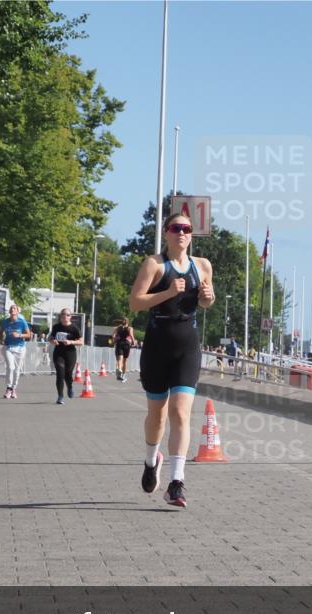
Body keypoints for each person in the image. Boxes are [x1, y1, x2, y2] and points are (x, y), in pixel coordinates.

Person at [129, 212, 215, 508]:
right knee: (157, 416)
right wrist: (166, 291)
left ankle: (176, 483)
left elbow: (205, 302)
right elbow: (135, 302)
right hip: (156, 347)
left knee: (181, 412)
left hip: (187, 348)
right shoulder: (154, 265)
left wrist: (208, 296)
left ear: (192, 234)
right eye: (176, 228)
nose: (182, 233)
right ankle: (151, 460)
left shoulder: (202, 266)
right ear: (166, 233)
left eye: (187, 229)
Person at [48, 308, 82, 404]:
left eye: (67, 315)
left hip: (70, 353)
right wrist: (53, 340)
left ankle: (70, 387)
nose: (65, 317)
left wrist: (71, 341)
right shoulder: (56, 327)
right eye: (63, 315)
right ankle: (60, 396)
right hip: (58, 353)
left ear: (70, 317)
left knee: (68, 374)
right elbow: (50, 337)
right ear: (60, 316)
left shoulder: (74, 328)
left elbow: (81, 342)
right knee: (60, 374)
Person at [0, 304, 32, 399]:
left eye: (14, 308)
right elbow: (0, 330)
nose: (12, 309)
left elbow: (28, 335)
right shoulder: (5, 322)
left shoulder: (22, 322)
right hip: (8, 347)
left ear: (17, 312)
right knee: (10, 367)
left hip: (20, 348)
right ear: (9, 312)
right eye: (11, 308)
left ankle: (14, 388)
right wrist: (1, 339)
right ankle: (8, 388)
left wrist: (19, 335)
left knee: (17, 370)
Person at [113, 317, 137, 382]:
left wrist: (114, 340)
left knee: (120, 358)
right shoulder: (130, 328)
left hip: (119, 343)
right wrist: (133, 342)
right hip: (126, 344)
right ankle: (123, 374)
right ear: (128, 322)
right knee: (124, 361)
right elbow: (131, 335)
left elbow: (114, 335)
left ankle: (119, 369)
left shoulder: (118, 328)